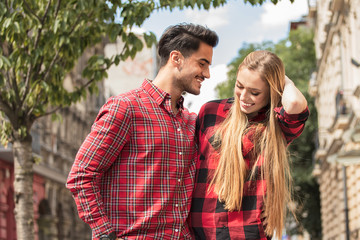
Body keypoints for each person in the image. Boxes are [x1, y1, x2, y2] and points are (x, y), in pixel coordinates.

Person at [66, 23, 218, 240]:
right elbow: (82, 176)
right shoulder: (126, 107)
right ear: (176, 58)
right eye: (202, 64)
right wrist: (105, 233)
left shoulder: (191, 122)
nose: (207, 74)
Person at [189, 50, 309, 240]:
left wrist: (281, 79)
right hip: (201, 232)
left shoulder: (278, 125)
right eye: (239, 86)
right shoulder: (211, 112)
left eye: (255, 92)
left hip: (247, 233)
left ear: (271, 91)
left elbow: (294, 103)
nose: (244, 96)